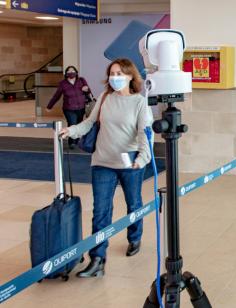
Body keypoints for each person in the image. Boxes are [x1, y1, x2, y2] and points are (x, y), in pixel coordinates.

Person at [60, 58, 153, 278]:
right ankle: (98, 259)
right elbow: (89, 123)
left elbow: (144, 133)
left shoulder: (139, 102)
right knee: (101, 211)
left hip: (130, 161)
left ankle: (134, 238)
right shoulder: (104, 98)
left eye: (120, 73)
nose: (115, 77)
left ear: (131, 76)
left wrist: (143, 157)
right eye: (112, 73)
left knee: (134, 203)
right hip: (102, 162)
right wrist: (71, 131)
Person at [47, 66, 92, 148]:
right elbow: (56, 96)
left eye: (73, 71)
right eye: (69, 71)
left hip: (81, 108)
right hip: (69, 108)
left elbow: (88, 91)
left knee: (78, 124)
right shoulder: (62, 84)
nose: (71, 72)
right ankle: (72, 142)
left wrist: (87, 89)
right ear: (66, 73)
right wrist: (49, 106)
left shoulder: (81, 80)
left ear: (76, 72)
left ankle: (77, 141)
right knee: (72, 123)